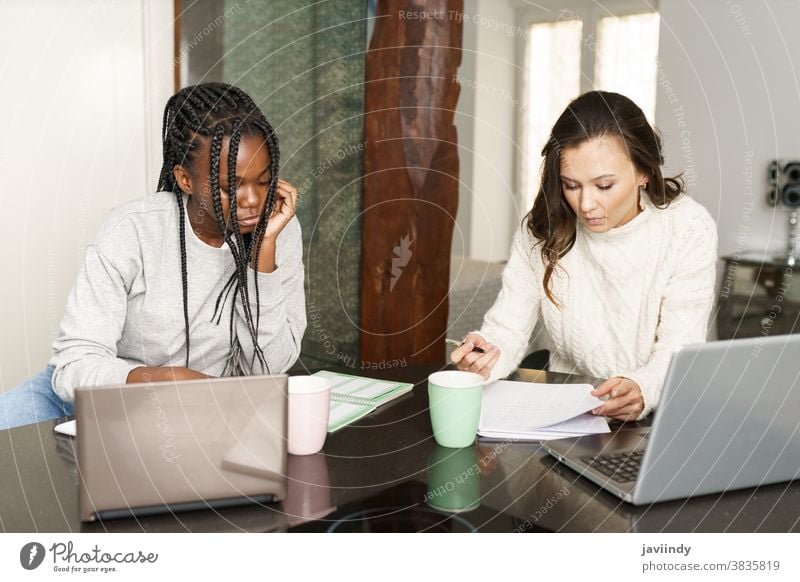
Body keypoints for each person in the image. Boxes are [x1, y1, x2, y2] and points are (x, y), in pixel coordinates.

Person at [0, 82, 306, 430]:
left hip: (202, 410)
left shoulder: (277, 230)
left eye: (264, 181)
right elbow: (74, 365)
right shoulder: (132, 230)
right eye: (229, 186)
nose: (253, 200)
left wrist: (262, 255)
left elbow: (266, 370)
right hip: (97, 393)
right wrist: (163, 381)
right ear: (184, 179)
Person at [451, 91, 718, 422]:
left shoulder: (688, 228)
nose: (586, 204)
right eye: (571, 185)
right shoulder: (543, 229)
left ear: (644, 172)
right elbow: (507, 328)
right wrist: (483, 357)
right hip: (570, 412)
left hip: (660, 414)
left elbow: (681, 348)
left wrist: (642, 387)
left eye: (604, 186)